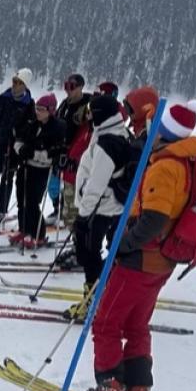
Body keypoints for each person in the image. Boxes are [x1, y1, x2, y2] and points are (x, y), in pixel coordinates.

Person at [80, 100, 196, 391]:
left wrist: (123, 245)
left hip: (140, 260)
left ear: (163, 132)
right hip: (159, 262)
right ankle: (137, 389)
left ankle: (109, 389)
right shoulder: (183, 161)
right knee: (135, 324)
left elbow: (155, 218)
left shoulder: (166, 165)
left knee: (106, 321)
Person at [65, 93, 132, 319]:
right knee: (92, 253)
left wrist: (82, 218)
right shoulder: (112, 132)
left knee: (88, 253)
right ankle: (99, 294)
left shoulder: (107, 144)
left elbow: (96, 185)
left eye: (92, 111)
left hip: (99, 208)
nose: (89, 115)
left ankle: (93, 301)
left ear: (101, 114)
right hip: (108, 206)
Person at [0, 68, 35, 226]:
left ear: (25, 85)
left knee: (7, 179)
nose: (15, 85)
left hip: (14, 147)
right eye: (14, 82)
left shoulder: (28, 104)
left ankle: (1, 210)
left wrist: (19, 135)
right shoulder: (3, 98)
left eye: (19, 83)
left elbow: (30, 126)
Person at [11, 93, 66, 248]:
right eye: (37, 108)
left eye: (41, 109)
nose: (38, 112)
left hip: (40, 169)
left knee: (33, 202)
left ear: (50, 110)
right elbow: (19, 140)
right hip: (26, 167)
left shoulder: (57, 128)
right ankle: (24, 229)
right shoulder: (33, 124)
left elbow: (53, 154)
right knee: (22, 199)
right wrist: (21, 150)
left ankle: (38, 234)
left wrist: (33, 153)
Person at [56, 73, 92, 230]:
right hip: (62, 153)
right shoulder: (64, 105)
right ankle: (63, 213)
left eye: (71, 87)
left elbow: (87, 136)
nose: (68, 90)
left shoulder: (88, 104)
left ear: (80, 87)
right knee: (58, 188)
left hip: (78, 159)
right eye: (66, 86)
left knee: (74, 194)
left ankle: (75, 228)